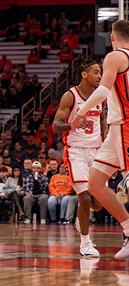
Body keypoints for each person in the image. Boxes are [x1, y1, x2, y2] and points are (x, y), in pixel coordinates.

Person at [69, 23, 129, 259]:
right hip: (116, 127)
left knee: (127, 184)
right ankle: (127, 228)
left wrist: (81, 111)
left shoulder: (115, 56)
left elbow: (103, 91)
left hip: (124, 124)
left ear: (112, 37)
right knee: (94, 184)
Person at [53, 58, 104, 256]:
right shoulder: (70, 96)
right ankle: (85, 244)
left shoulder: (101, 95)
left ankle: (81, 217)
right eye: (95, 72)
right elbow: (56, 126)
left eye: (100, 72)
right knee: (83, 197)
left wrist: (106, 138)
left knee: (98, 204)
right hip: (75, 150)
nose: (100, 76)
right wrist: (73, 124)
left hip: (97, 151)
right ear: (84, 74)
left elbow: (102, 119)